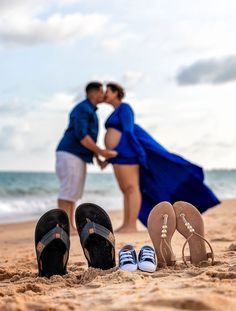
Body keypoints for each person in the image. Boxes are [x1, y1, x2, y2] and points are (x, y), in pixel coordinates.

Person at [102, 82, 220, 233]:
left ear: (116, 93)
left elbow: (128, 131)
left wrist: (137, 152)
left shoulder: (125, 108)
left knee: (132, 188)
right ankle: (126, 224)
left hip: (127, 153)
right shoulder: (116, 110)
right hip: (117, 155)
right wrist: (108, 157)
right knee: (125, 189)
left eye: (108, 91)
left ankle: (131, 225)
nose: (105, 94)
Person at [56, 81, 117, 233]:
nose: (103, 94)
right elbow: (82, 136)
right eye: (102, 91)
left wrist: (98, 158)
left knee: (74, 192)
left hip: (77, 155)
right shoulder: (83, 108)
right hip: (70, 153)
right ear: (94, 93)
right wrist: (102, 152)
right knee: (68, 191)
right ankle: (65, 226)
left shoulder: (90, 110)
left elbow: (90, 138)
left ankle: (70, 225)